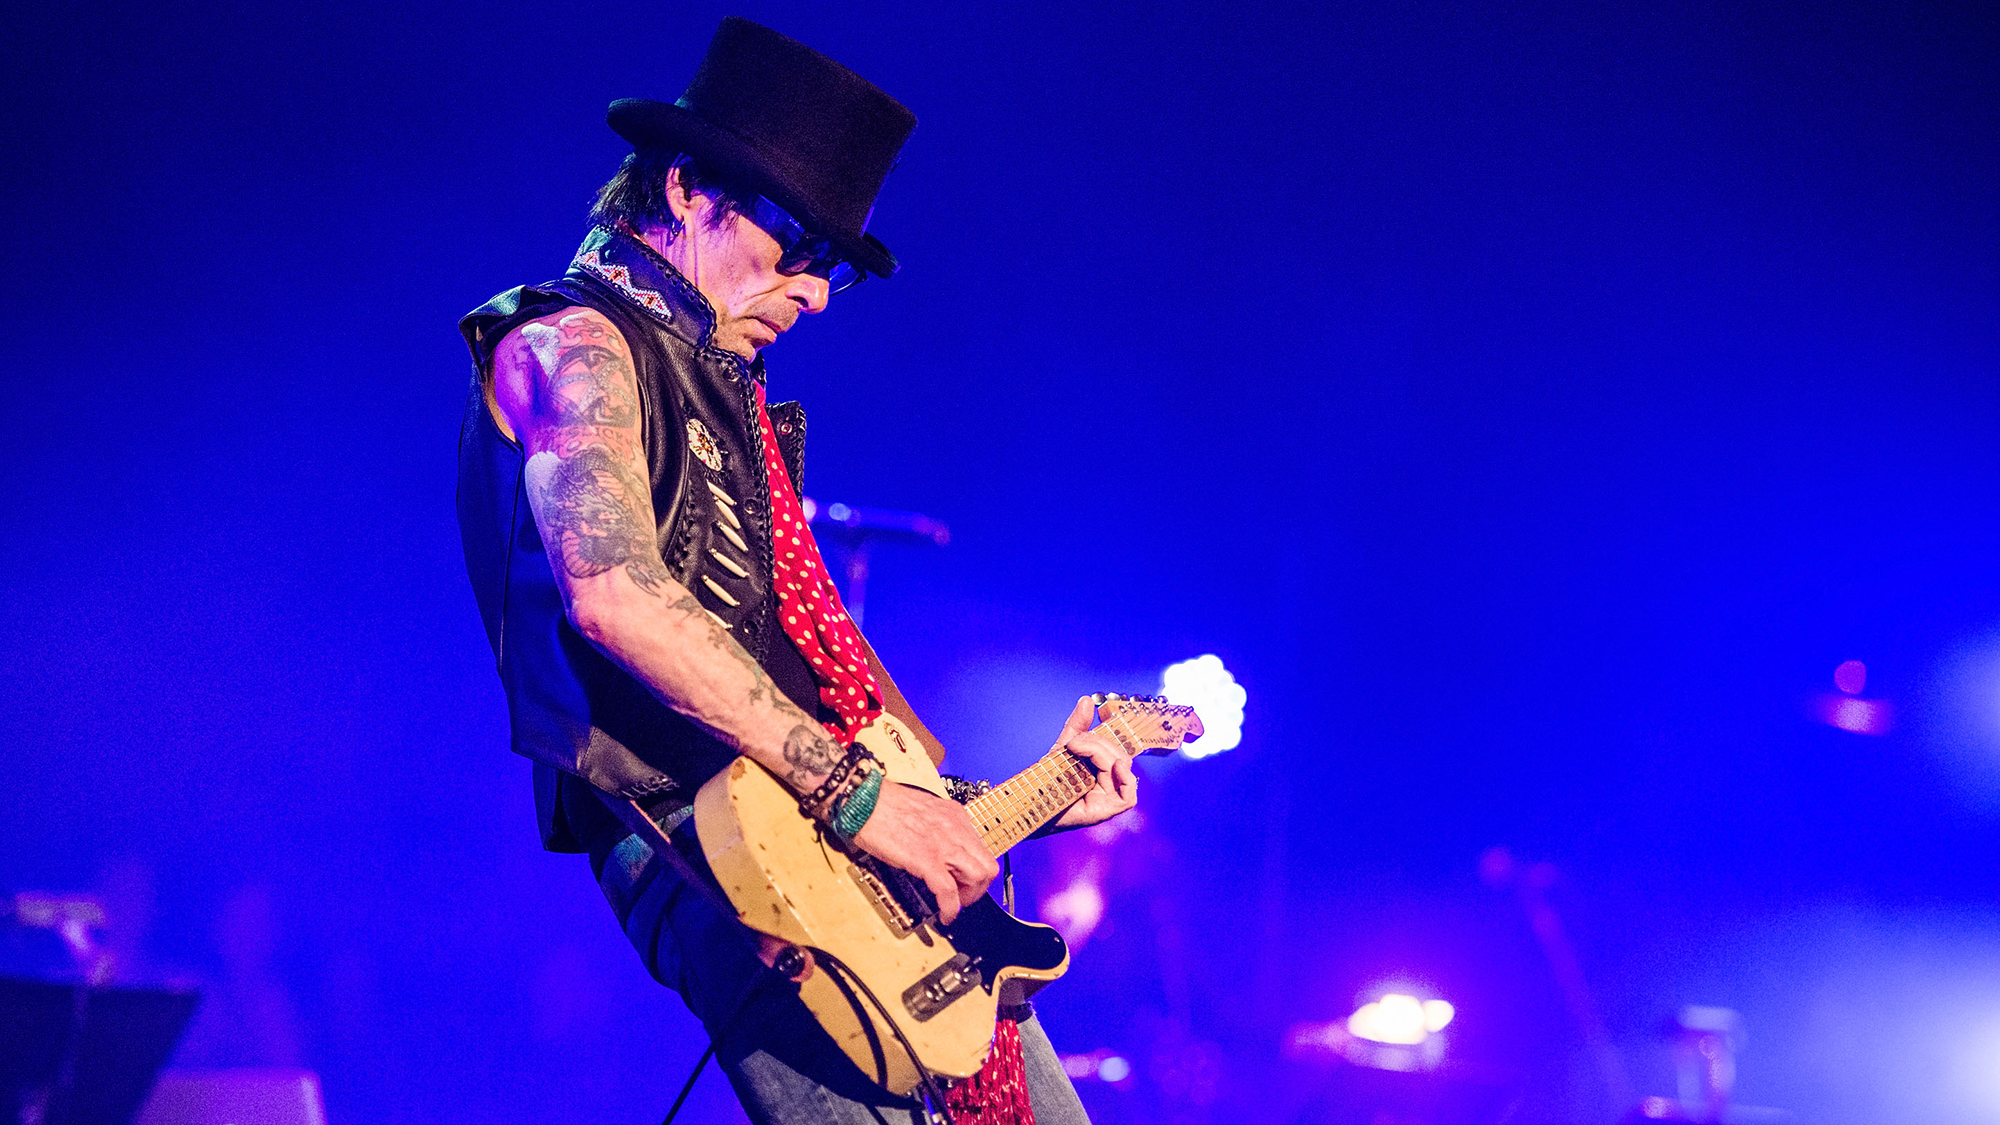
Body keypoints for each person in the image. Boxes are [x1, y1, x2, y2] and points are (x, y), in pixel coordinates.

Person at [455, 18, 1136, 1124]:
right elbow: (615, 593)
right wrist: (857, 795)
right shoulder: (570, 343)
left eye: (835, 269)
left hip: (841, 849)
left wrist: (984, 808)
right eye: (796, 249)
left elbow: (818, 694)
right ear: (686, 189)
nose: (815, 291)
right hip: (718, 854)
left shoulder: (736, 398)